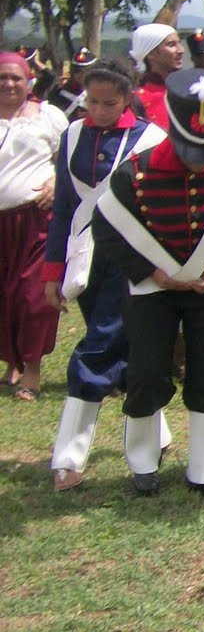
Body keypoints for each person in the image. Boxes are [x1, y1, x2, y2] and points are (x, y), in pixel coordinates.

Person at [92, 69, 204, 498]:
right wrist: (151, 273)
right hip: (152, 291)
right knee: (147, 373)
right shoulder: (133, 175)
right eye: (190, 148)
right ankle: (143, 463)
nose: (199, 159)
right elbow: (108, 232)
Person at [42, 57, 166, 488]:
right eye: (92, 101)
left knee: (97, 349)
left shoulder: (151, 139)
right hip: (85, 256)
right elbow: (63, 208)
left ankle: (69, 457)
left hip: (131, 257)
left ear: (128, 98)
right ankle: (158, 434)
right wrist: (51, 269)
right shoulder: (73, 134)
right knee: (124, 344)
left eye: (108, 103)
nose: (98, 110)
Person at [0, 51, 69, 401]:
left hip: (37, 220)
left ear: (28, 79)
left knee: (33, 296)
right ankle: (11, 361)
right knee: (5, 296)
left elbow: (72, 155)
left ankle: (31, 370)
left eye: (16, 77)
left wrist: (57, 181)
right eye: (3, 77)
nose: (10, 84)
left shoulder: (48, 116)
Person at [130, 23, 183, 130]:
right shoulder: (136, 99)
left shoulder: (188, 90)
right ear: (151, 54)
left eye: (179, 43)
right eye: (171, 45)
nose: (181, 50)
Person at [46, 47, 97, 118]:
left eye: (85, 72)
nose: (81, 75)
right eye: (77, 71)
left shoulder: (100, 94)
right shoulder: (61, 92)